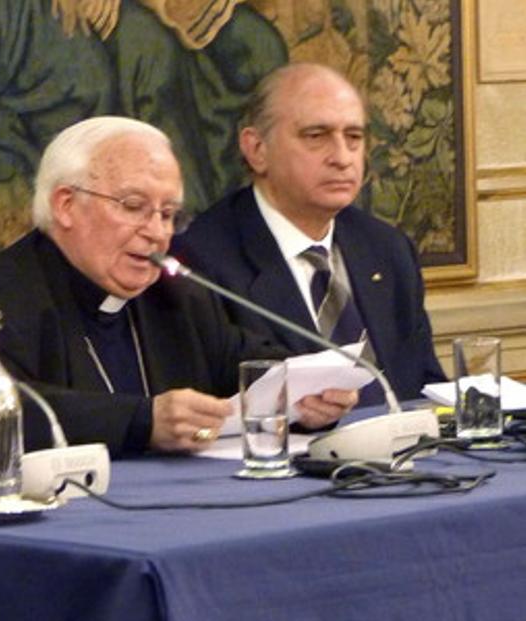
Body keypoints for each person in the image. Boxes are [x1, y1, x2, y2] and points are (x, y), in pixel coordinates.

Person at [0, 116, 356, 456]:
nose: (157, 233)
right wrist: (143, 422)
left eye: (168, 213)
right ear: (65, 205)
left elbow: (250, 364)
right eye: (135, 207)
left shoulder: (175, 296)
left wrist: (304, 400)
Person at [170, 63, 445, 402]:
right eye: (316, 136)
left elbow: (424, 386)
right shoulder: (202, 262)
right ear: (256, 149)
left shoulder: (387, 249)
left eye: (354, 137)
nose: (343, 158)